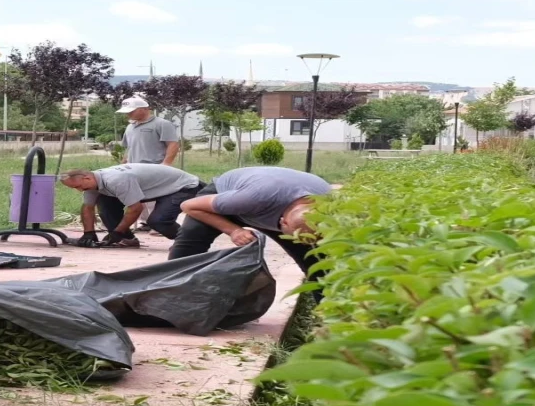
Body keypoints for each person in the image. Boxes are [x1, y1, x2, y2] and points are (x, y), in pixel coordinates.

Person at [167, 166, 332, 277]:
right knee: (191, 238)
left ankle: (331, 315)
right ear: (282, 223)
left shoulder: (328, 205)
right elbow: (188, 206)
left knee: (318, 263)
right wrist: (234, 230)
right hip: (229, 194)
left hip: (273, 197)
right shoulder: (251, 198)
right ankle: (169, 294)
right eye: (292, 236)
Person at [60, 164, 203, 247]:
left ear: (87, 178)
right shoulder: (92, 183)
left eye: (78, 186)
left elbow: (135, 208)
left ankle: (191, 242)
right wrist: (88, 234)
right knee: (104, 201)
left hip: (182, 186)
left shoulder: (116, 180)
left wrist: (117, 232)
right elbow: (87, 208)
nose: (78, 190)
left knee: (158, 221)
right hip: (156, 188)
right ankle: (128, 239)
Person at [117, 96, 180, 232]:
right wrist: (122, 164)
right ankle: (145, 222)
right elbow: (130, 148)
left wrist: (166, 163)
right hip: (133, 168)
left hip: (154, 167)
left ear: (144, 109)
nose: (128, 114)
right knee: (137, 196)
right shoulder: (130, 126)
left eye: (131, 111)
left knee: (153, 198)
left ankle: (157, 225)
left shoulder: (162, 124)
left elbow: (172, 144)